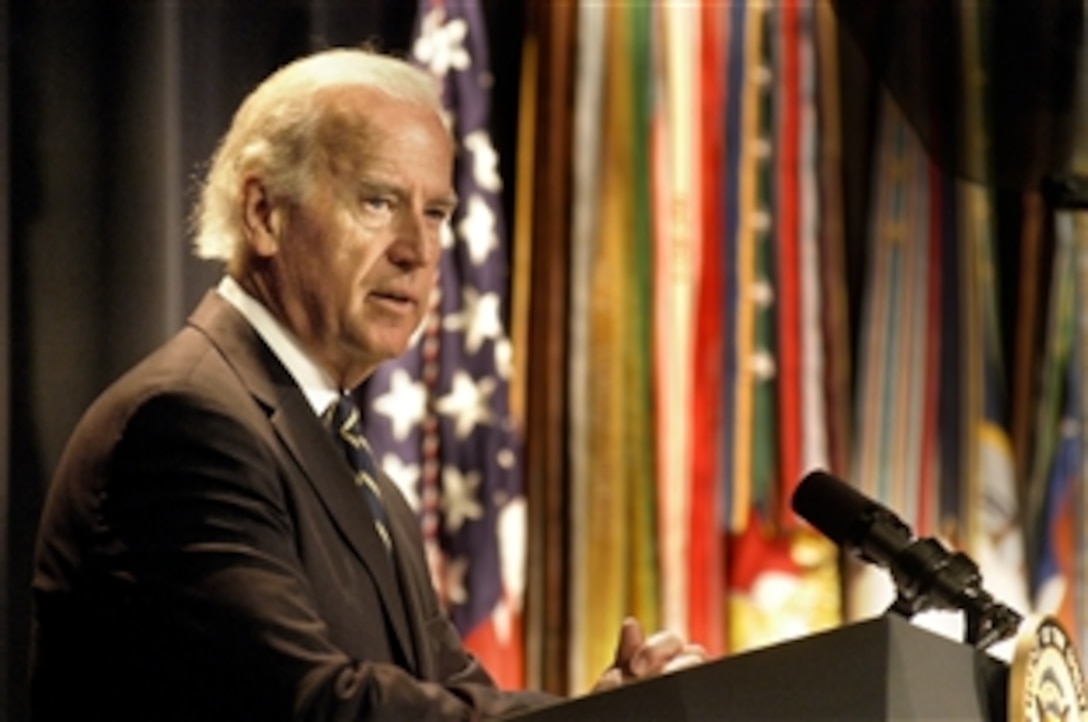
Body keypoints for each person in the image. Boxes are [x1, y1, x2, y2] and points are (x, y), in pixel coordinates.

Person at [29, 47, 704, 722]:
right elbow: (305, 703)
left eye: (436, 213)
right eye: (379, 202)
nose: (417, 249)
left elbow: (450, 692)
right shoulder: (184, 425)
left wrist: (599, 712)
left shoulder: (359, 473)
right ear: (264, 213)